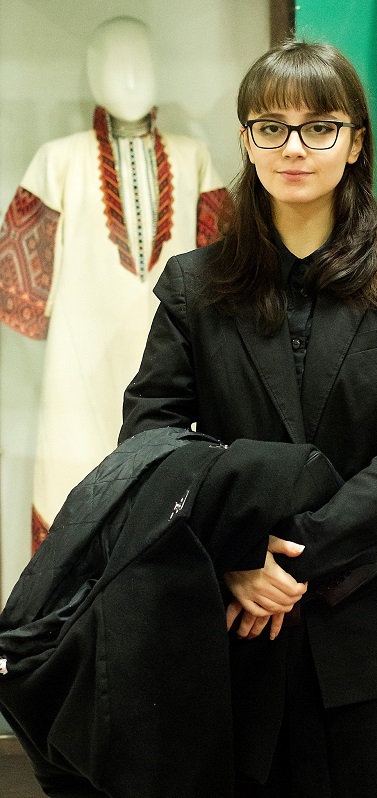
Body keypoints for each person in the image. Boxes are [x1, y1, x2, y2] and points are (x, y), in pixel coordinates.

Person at [119, 39, 377, 798]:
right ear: (247, 141)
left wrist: (288, 559)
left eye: (319, 127)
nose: (293, 147)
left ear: (354, 142)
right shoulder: (194, 285)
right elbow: (152, 438)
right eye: (271, 127)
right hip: (234, 619)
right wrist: (234, 555)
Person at [0, 16, 230, 550]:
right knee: (75, 488)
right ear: (90, 71)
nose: (130, 76)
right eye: (114, 62)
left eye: (141, 61)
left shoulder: (193, 158)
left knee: (170, 494)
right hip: (78, 365)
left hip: (173, 361)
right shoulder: (58, 160)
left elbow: (225, 273)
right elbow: (19, 291)